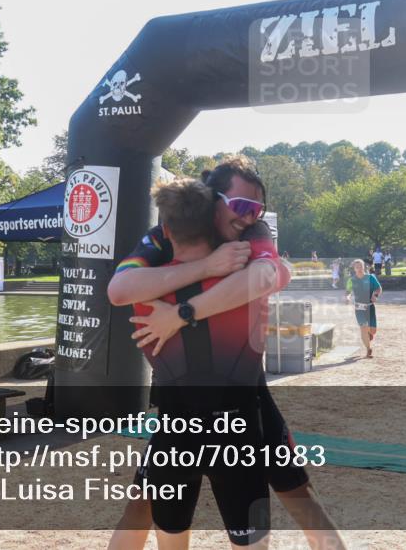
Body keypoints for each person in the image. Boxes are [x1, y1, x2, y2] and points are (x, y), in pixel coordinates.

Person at [106, 155, 344, 550]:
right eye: (241, 206)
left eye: (257, 209)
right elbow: (117, 289)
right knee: (143, 506)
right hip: (193, 407)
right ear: (212, 199)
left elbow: (269, 275)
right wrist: (207, 267)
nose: (250, 217)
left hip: (247, 398)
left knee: (298, 497)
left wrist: (182, 313)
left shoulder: (253, 234)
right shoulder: (168, 232)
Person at [133, 178, 274, 549]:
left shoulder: (146, 297)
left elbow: (118, 291)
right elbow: (270, 275)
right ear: (214, 220)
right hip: (240, 430)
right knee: (253, 543)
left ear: (165, 229)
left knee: (171, 540)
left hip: (174, 432)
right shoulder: (244, 285)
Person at [346, 259, 382, 358]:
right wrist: (348, 297)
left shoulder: (371, 277)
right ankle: (368, 349)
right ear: (354, 268)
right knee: (363, 328)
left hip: (370, 307)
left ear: (364, 267)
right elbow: (348, 291)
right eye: (357, 267)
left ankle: (369, 334)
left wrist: (375, 295)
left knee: (373, 331)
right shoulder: (351, 280)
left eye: (360, 266)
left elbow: (378, 288)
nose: (359, 269)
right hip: (359, 308)